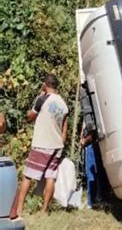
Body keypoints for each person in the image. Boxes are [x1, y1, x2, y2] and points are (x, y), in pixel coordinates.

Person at [10, 74, 69, 218]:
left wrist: (36, 101)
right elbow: (64, 130)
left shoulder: (42, 99)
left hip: (42, 144)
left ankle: (18, 210)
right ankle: (44, 210)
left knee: (27, 176)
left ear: (45, 85)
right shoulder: (63, 104)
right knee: (50, 177)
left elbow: (30, 117)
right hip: (57, 145)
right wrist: (60, 144)